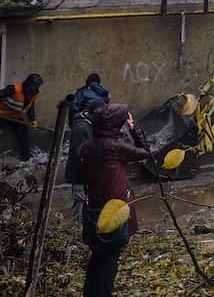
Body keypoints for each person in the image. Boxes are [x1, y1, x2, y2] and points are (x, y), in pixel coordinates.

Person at [80, 102, 149, 297]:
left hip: (93, 210)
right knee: (109, 262)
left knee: (97, 257)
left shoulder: (87, 147)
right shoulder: (116, 147)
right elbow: (145, 152)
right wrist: (134, 129)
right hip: (113, 212)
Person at [66, 75, 111, 216]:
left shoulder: (92, 122)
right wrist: (77, 184)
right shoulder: (82, 129)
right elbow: (76, 156)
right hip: (82, 177)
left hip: (91, 175)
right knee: (80, 206)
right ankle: (74, 228)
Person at [0, 73, 42, 160]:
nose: (31, 90)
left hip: (15, 116)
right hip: (1, 114)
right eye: (30, 87)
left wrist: (32, 119)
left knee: (23, 131)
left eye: (34, 87)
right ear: (26, 84)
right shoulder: (14, 89)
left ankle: (25, 156)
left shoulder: (34, 93)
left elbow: (31, 107)